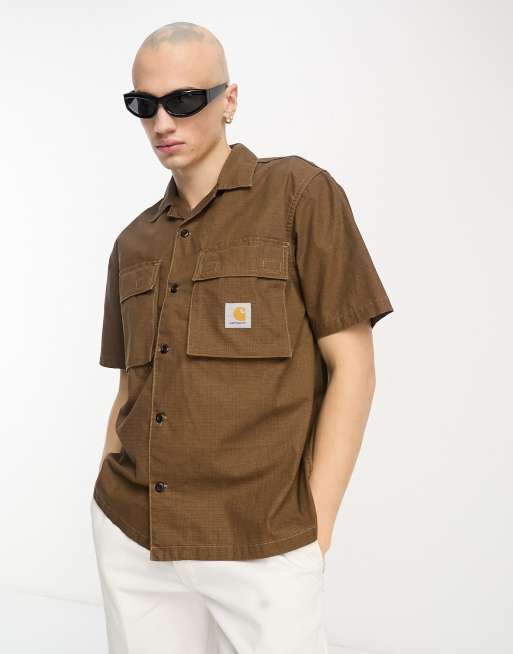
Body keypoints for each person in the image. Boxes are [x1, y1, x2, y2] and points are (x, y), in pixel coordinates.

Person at [90, 20, 394, 654]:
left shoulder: (299, 195)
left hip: (263, 542)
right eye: (144, 105)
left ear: (228, 100)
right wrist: (105, 495)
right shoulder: (132, 242)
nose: (162, 122)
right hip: (134, 533)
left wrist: (316, 529)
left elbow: (354, 368)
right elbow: (129, 390)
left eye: (184, 100)